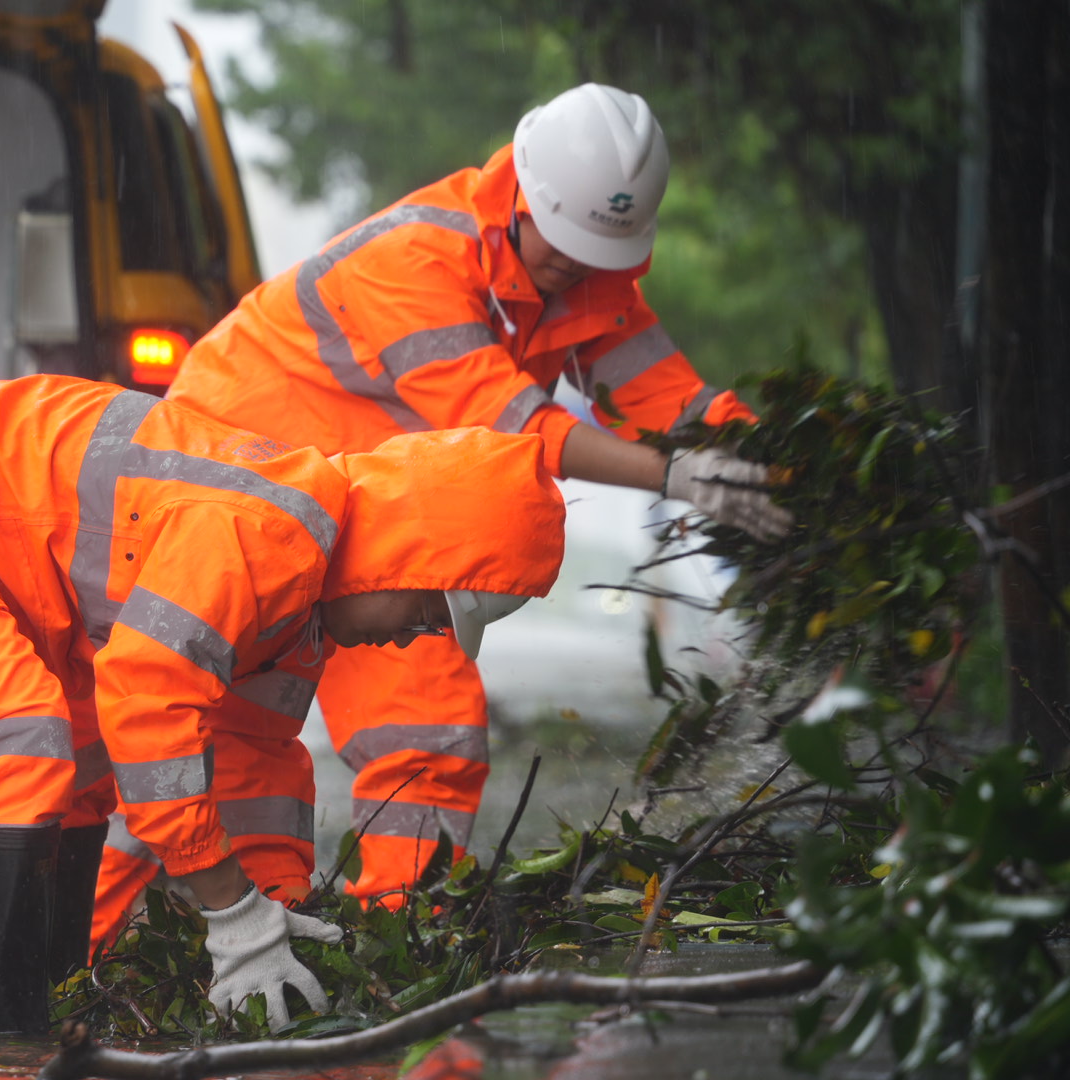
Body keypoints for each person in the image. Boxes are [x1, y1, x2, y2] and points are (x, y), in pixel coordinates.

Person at [85, 83, 792, 937]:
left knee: (391, 733)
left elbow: (670, 400)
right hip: (242, 500)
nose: (573, 270)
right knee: (200, 724)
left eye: (597, 257)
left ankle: (377, 928)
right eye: (563, 249)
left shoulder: (588, 281)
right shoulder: (414, 260)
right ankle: (104, 947)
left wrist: (776, 462)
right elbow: (513, 423)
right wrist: (675, 479)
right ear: (520, 195)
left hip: (357, 516)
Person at [0, 374, 566, 1035]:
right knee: (20, 746)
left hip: (3, 556)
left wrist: (281, 926)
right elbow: (146, 697)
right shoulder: (274, 534)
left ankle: (56, 1002)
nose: (410, 641)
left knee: (79, 778)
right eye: (427, 617)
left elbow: (252, 772)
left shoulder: (300, 620)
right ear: (407, 561)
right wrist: (230, 915)